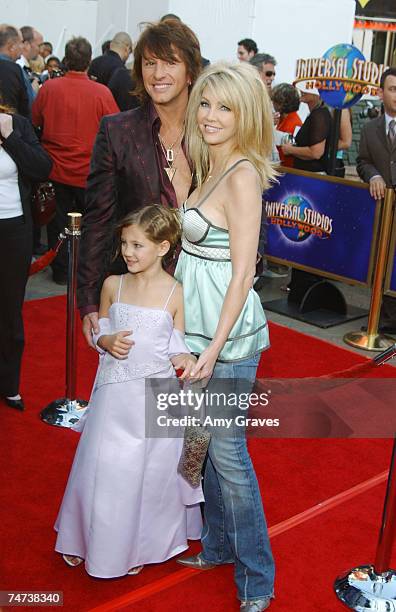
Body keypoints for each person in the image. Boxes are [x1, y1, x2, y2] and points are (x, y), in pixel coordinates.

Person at [175, 62, 276, 612]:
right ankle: (215, 546)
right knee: (209, 451)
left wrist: (212, 350)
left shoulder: (240, 174)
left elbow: (242, 273)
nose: (211, 116)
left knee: (229, 455)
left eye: (225, 107)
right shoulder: (208, 162)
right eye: (207, 104)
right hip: (195, 331)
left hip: (227, 337)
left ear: (246, 115)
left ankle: (258, 578)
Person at [54, 204, 203, 577]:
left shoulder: (176, 293)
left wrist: (186, 359)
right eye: (124, 243)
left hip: (152, 398)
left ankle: (138, 543)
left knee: (145, 475)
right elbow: (98, 332)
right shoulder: (112, 284)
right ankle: (82, 538)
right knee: (102, 467)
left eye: (138, 245)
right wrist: (104, 340)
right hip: (112, 396)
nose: (128, 252)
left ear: (164, 248)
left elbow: (177, 345)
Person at [78, 19, 202, 344]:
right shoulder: (117, 131)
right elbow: (99, 217)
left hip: (205, 294)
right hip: (140, 299)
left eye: (170, 62)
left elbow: (247, 203)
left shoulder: (214, 130)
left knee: (202, 393)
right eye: (149, 63)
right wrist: (90, 298)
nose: (158, 73)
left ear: (191, 71)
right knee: (146, 394)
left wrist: (250, 270)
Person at [32, 36, 119, 285]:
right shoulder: (101, 92)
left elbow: (35, 119)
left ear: (67, 59)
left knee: (57, 224)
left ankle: (61, 270)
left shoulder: (50, 87)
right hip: (88, 171)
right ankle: (85, 273)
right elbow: (116, 127)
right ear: (89, 61)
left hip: (56, 168)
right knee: (91, 225)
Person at [0, 103, 52, 411]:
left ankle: (8, 382)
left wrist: (10, 137)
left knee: (9, 308)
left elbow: (43, 168)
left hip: (14, 229)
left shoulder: (16, 124)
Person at [357, 67, 396, 334]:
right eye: (393, 89)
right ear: (381, 93)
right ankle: (383, 317)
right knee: (382, 262)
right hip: (383, 212)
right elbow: (363, 162)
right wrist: (373, 176)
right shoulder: (370, 129)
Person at [0, 25, 29, 118]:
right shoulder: (15, 70)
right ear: (11, 46)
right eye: (21, 42)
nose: (23, 47)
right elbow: (28, 106)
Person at [271, 82, 302, 166]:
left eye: (274, 101)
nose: (272, 104)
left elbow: (287, 153)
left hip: (286, 170)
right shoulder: (283, 119)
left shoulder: (293, 124)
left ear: (280, 103)